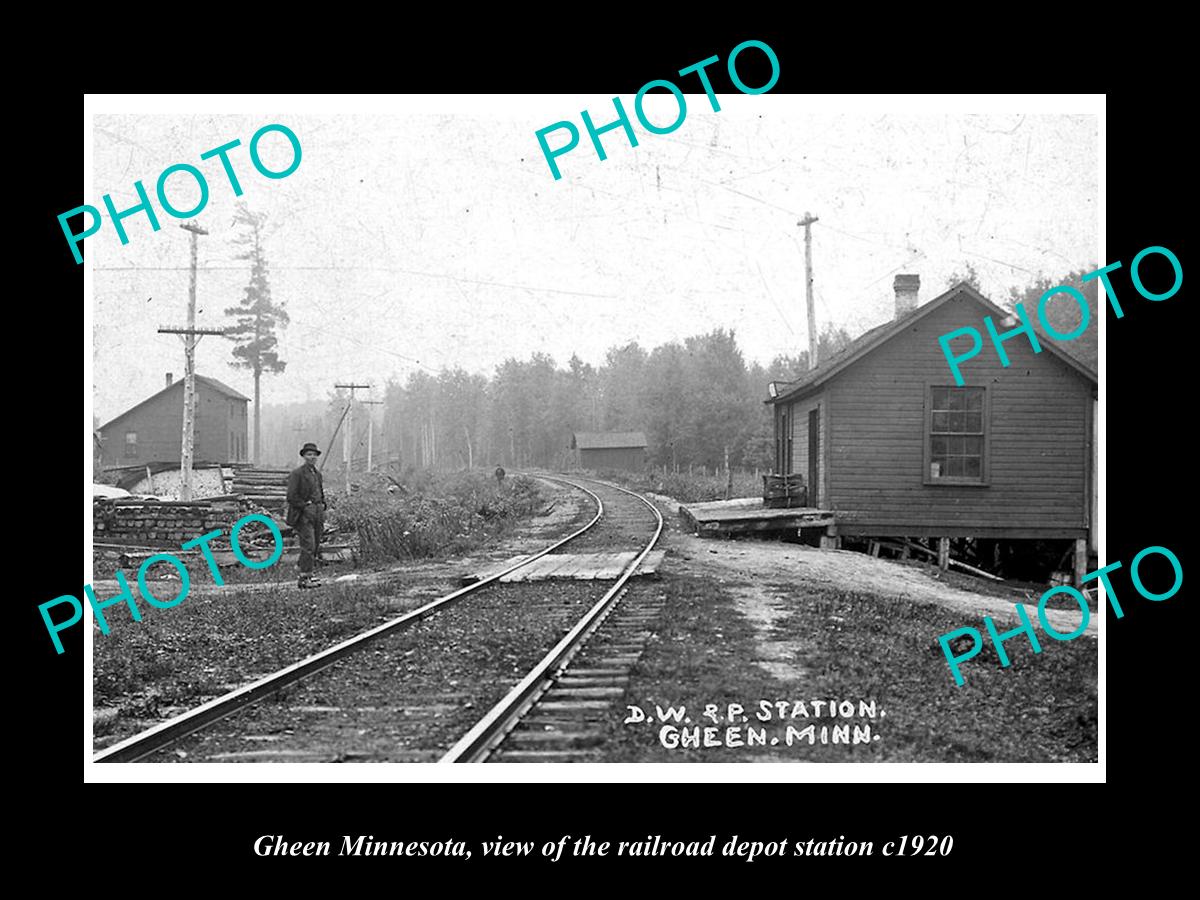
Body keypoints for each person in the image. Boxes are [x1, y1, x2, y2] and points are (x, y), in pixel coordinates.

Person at [287, 442, 327, 589]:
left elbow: (320, 492)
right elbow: (291, 496)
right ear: (304, 456)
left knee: (316, 544)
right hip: (303, 514)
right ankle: (304, 579)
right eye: (309, 454)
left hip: (318, 512)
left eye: (314, 455)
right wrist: (305, 506)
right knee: (308, 545)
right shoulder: (297, 474)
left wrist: (323, 505)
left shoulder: (317, 474)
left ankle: (305, 569)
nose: (312, 457)